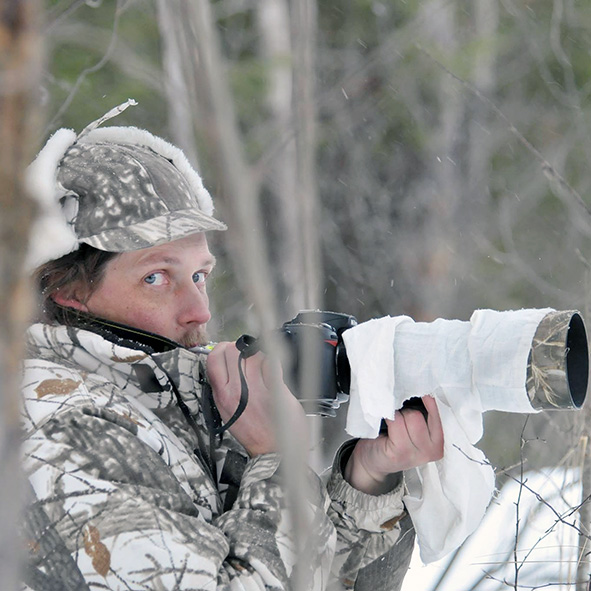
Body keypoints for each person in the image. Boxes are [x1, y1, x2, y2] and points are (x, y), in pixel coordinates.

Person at [20, 108, 444, 590]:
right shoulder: (62, 432)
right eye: (156, 277)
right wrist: (275, 454)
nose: (198, 310)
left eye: (199, 275)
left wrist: (368, 478)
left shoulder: (159, 406)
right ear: (66, 288)